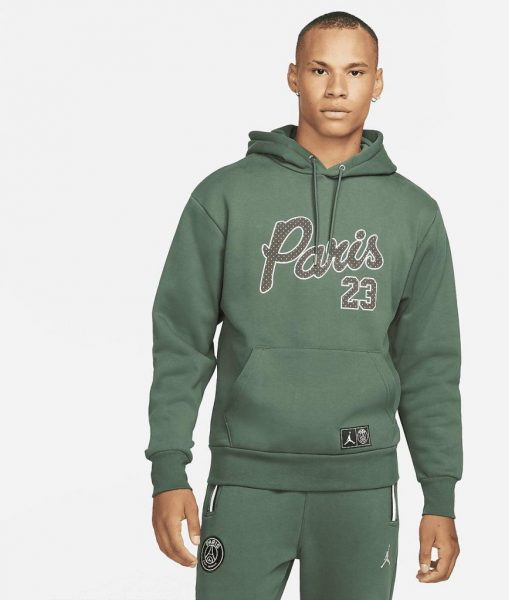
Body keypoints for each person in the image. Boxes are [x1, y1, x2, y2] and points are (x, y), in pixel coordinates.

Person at [145, 10, 463, 599]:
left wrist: (439, 495)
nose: (337, 88)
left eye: (355, 71)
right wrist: (169, 469)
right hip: (246, 479)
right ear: (293, 76)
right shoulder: (225, 195)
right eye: (320, 69)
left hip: (362, 484)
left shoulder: (415, 214)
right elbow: (182, 340)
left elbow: (430, 365)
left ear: (378, 82)